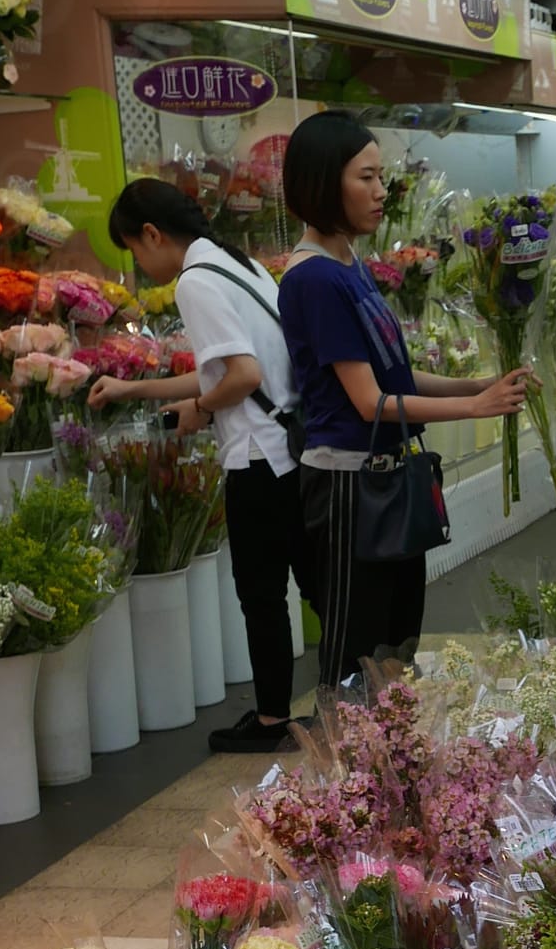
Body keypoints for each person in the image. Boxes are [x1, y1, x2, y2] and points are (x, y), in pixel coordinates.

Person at [277, 111, 527, 692]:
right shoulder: (314, 279)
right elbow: (370, 404)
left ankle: (390, 771)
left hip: (387, 483)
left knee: (395, 646)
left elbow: (397, 377)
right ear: (322, 181)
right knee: (354, 655)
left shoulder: (350, 265)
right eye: (365, 177)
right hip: (349, 489)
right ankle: (345, 774)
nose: (380, 191)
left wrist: (479, 385)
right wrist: (474, 409)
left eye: (381, 176)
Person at [90, 179, 312, 753]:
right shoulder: (237, 264)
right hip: (293, 453)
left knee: (261, 595)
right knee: (310, 586)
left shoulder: (193, 281)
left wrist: (198, 410)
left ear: (152, 234)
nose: (139, 264)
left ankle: (270, 722)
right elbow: (225, 368)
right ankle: (344, 702)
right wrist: (131, 390)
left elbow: (239, 378)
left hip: (259, 458)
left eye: (135, 251)